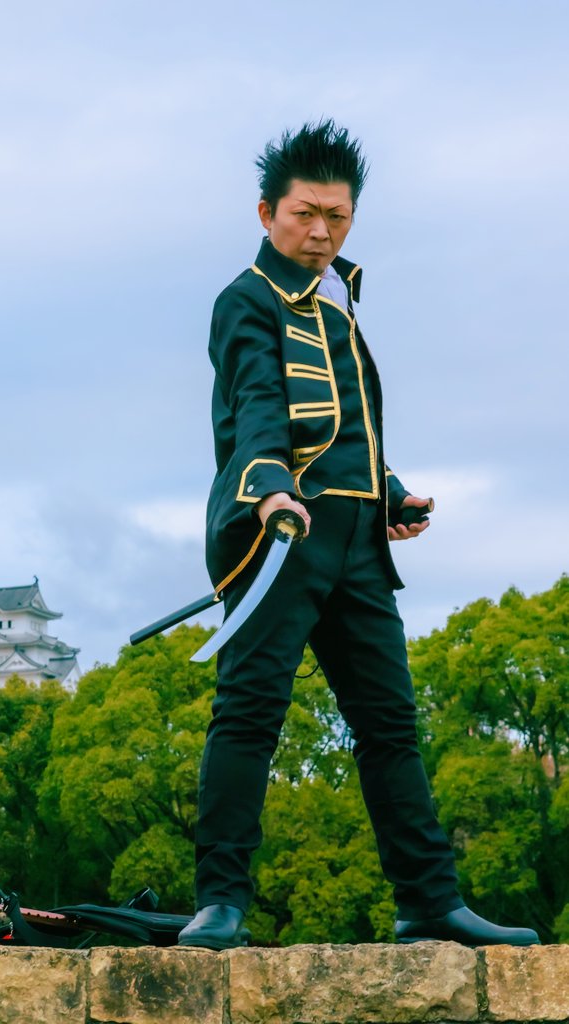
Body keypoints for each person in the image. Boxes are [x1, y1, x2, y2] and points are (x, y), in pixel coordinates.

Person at [178, 121, 539, 951]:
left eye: (337, 217)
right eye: (305, 214)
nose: (321, 232)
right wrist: (270, 489)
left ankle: (429, 901)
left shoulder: (340, 297)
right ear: (267, 213)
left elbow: (346, 427)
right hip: (277, 536)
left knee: (390, 724)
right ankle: (220, 901)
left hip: (357, 543)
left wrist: (391, 492)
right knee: (249, 718)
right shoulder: (245, 300)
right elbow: (259, 406)